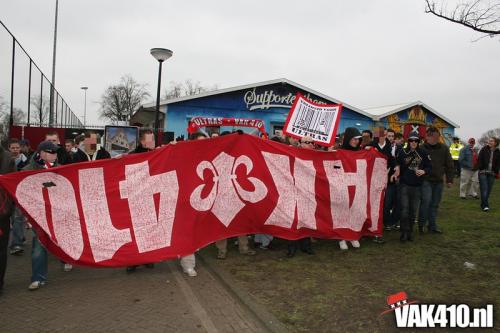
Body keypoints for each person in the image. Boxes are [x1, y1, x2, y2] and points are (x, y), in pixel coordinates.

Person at [23, 141, 59, 290]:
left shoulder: (59, 168)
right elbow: (23, 194)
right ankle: (38, 277)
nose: (55, 155)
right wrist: (26, 217)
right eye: (52, 152)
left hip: (56, 213)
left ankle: (66, 260)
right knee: (39, 245)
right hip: (38, 215)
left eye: (56, 152)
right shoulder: (28, 170)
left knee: (61, 240)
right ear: (42, 153)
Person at [215, 131, 257, 260]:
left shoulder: (239, 152)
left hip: (236, 194)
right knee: (221, 225)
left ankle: (243, 247)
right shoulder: (215, 153)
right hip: (220, 196)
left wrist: (241, 137)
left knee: (241, 223)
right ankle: (221, 250)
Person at [396, 131, 431, 242]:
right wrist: (396, 168)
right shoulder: (402, 152)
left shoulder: (424, 153)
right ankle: (403, 232)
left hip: (417, 186)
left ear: (418, 141)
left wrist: (424, 171)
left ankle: (410, 232)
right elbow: (396, 163)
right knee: (404, 210)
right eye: (411, 140)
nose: (413, 142)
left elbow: (430, 167)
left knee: (413, 210)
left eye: (416, 140)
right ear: (408, 141)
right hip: (405, 185)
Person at [366, 128, 399, 244]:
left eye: (383, 135)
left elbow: (391, 158)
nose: (381, 137)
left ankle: (377, 230)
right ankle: (369, 228)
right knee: (371, 204)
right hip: (371, 179)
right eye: (379, 135)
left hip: (383, 178)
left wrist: (396, 167)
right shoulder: (371, 145)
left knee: (380, 205)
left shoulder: (388, 145)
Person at [418, 126, 454, 234]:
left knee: (435, 204)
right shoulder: (421, 148)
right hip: (426, 180)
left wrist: (449, 180)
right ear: (427, 137)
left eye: (436, 137)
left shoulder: (444, 148)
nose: (434, 139)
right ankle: (421, 225)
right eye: (431, 137)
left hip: (438, 181)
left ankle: (432, 226)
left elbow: (449, 165)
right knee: (426, 202)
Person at [287, 136, 315, 257]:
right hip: (294, 190)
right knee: (293, 220)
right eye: (306, 142)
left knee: (306, 220)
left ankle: (306, 245)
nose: (309, 145)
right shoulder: (292, 152)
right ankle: (291, 247)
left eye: (311, 143)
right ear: (301, 143)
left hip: (309, 191)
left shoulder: (317, 155)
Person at [337, 128, 362, 250]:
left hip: (356, 186)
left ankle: (352, 236)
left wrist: (369, 151)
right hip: (342, 186)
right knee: (342, 211)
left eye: (358, 139)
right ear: (348, 138)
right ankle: (341, 238)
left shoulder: (361, 152)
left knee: (354, 211)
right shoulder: (339, 151)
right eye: (354, 139)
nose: (356, 142)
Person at [0, 143, 15, 293]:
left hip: (2, 212)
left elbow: (12, 186)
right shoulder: (8, 158)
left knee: (1, 249)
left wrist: (10, 209)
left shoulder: (8, 159)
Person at [477, 137, 499, 212]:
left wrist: (496, 171)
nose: (489, 142)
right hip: (483, 172)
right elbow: (479, 159)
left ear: (495, 143)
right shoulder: (484, 149)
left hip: (492, 173)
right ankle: (485, 205)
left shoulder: (498, 151)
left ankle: (483, 203)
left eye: (492, 141)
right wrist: (480, 168)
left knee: (488, 190)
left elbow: (498, 163)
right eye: (489, 141)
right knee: (484, 189)